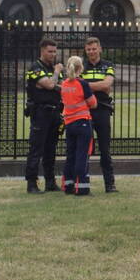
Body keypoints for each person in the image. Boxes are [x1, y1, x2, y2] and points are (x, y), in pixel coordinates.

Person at [24, 38, 64, 194]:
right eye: (50, 51)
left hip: (55, 112)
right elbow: (50, 85)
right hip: (40, 112)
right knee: (36, 149)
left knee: (50, 149)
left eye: (55, 51)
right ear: (42, 51)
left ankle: (50, 182)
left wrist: (51, 84)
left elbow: (61, 87)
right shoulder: (35, 67)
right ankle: (32, 183)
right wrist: (55, 77)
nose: (53, 54)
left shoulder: (52, 68)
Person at [83, 37, 118, 193]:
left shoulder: (108, 65)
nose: (91, 52)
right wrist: (100, 86)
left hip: (103, 110)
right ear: (86, 50)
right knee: (85, 149)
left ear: (100, 49)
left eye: (94, 49)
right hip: (85, 111)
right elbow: (102, 86)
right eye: (89, 49)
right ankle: (83, 184)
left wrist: (85, 85)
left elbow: (107, 84)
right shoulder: (81, 66)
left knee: (105, 149)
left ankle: (110, 184)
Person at [60, 55, 97, 196]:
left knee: (71, 155)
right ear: (80, 68)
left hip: (69, 124)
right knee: (82, 155)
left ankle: (68, 185)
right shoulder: (82, 84)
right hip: (82, 122)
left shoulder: (64, 84)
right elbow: (93, 103)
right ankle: (82, 187)